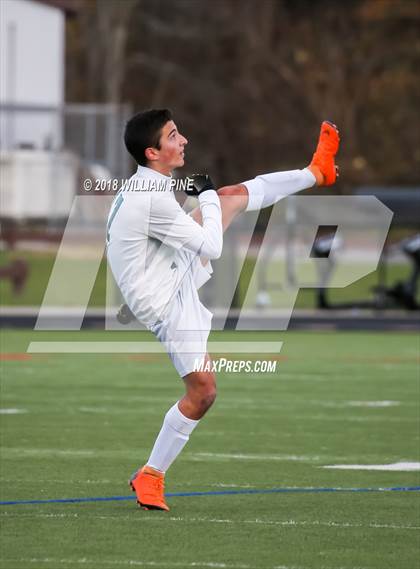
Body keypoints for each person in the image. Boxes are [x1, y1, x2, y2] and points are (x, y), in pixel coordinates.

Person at [106, 109, 340, 511]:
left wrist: (213, 199)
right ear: (152, 152)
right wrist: (207, 196)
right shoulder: (151, 200)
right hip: (163, 300)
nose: (184, 141)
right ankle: (151, 475)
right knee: (204, 392)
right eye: (174, 136)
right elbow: (211, 246)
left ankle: (316, 172)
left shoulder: (150, 185)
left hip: (166, 271)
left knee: (231, 196)